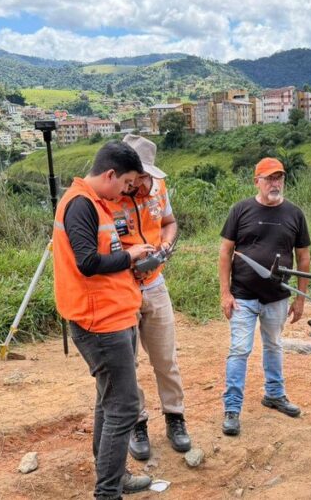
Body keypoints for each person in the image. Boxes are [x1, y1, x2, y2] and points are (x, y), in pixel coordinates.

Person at [53, 141, 155, 499]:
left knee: (108, 401)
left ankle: (112, 473)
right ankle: (108, 492)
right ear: (110, 174)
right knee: (124, 407)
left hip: (115, 314)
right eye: (126, 183)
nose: (126, 191)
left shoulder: (97, 203)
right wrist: (130, 256)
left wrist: (131, 257)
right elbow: (87, 263)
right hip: (99, 323)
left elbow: (101, 254)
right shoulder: (81, 205)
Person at [104, 134, 191, 460]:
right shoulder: (108, 197)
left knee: (165, 358)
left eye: (146, 176)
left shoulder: (157, 188)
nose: (142, 183)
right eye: (138, 176)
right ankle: (136, 423)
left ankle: (175, 417)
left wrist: (165, 245)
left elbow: (169, 222)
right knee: (127, 364)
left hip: (155, 284)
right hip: (121, 288)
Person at [218, 157, 311, 436]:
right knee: (240, 349)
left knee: (274, 345)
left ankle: (274, 394)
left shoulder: (294, 214)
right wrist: (225, 293)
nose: (275, 183)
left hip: (277, 297)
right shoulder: (240, 210)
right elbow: (225, 252)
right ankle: (232, 408)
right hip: (243, 296)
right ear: (256, 181)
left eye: (279, 177)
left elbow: (303, 257)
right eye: (269, 178)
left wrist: (300, 298)